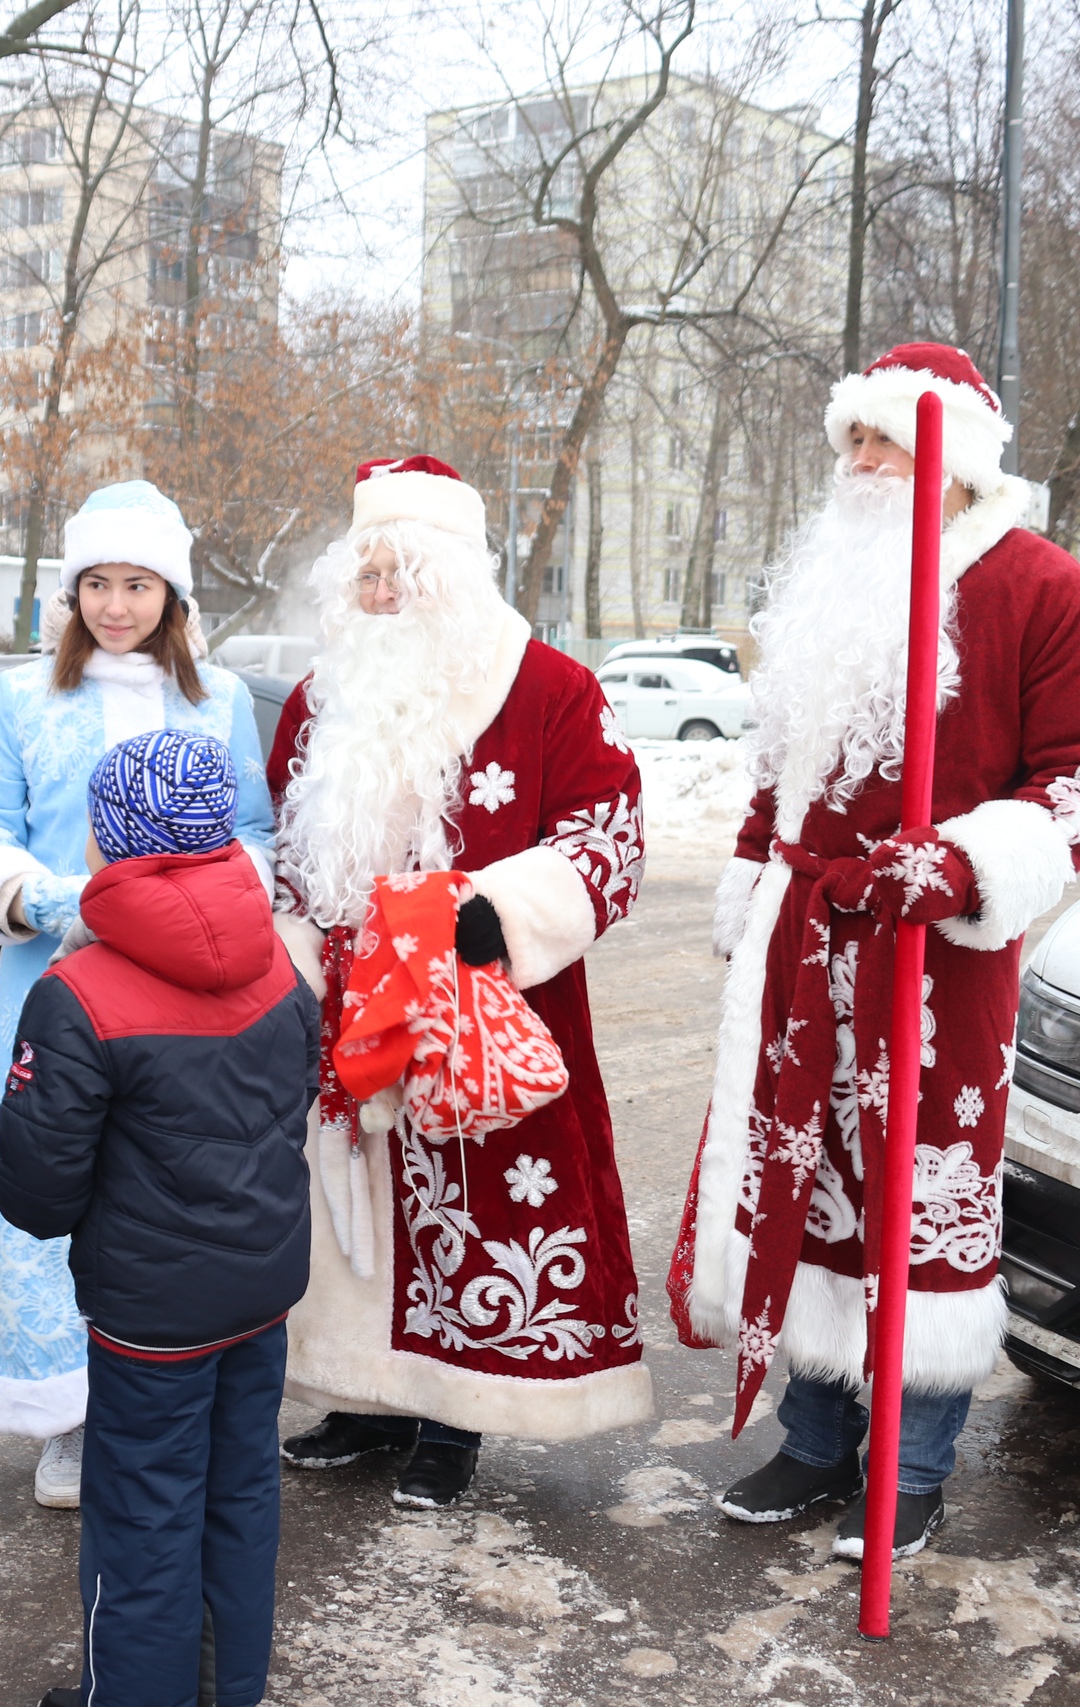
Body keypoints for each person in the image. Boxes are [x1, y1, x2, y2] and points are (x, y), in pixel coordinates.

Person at [664, 343, 1080, 1560]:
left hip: (934, 956)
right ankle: (817, 1444)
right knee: (805, 1175)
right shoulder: (832, 589)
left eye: (888, 443)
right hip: (803, 940)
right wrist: (752, 876)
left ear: (955, 462)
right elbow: (780, 771)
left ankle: (911, 1465)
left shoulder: (1040, 588)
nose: (862, 465)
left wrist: (964, 864)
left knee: (917, 1192)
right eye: (852, 443)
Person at [268, 454, 653, 1511]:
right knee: (353, 1201)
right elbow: (286, 848)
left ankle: (454, 1414)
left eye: (401, 575)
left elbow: (607, 838)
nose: (381, 598)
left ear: (452, 575)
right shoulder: (316, 698)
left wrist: (492, 914)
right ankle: (361, 1395)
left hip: (480, 1002)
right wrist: (295, 946)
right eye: (367, 577)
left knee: (477, 1201)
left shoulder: (549, 688)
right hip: (349, 1002)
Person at [0, 480, 275, 1510]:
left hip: (186, 1003)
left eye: (136, 584)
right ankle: (67, 1413)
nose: (115, 606)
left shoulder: (220, 700)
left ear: (169, 596)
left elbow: (256, 839)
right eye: (96, 584)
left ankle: (168, 1396)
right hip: (53, 987)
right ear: (71, 590)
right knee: (54, 1183)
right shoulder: (22, 698)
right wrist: (41, 898)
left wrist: (190, 910)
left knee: (164, 1199)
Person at [0, 729, 318, 1707]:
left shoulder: (78, 992)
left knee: (141, 1515)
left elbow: (36, 1193)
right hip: (261, 1288)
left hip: (151, 1316)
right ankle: (229, 1689)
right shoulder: (276, 963)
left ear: (109, 842)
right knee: (241, 1494)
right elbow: (291, 1102)